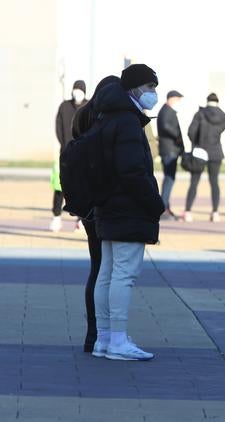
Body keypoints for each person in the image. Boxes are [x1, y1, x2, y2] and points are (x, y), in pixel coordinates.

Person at [92, 64, 165, 361]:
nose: (153, 94)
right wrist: (155, 204)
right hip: (128, 209)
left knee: (107, 273)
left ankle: (105, 338)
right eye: (149, 88)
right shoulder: (128, 123)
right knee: (123, 275)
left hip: (108, 206)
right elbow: (133, 172)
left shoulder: (106, 116)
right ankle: (118, 341)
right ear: (134, 89)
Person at [71, 75, 121, 353]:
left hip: (87, 204)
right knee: (110, 272)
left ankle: (93, 333)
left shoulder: (82, 116)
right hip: (106, 202)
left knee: (97, 269)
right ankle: (108, 332)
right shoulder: (107, 120)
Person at [184, 93, 225, 223]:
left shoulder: (200, 114)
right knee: (214, 182)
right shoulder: (223, 116)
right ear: (217, 101)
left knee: (194, 182)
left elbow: (191, 132)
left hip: (200, 152)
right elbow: (221, 130)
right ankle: (215, 213)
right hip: (216, 152)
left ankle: (188, 212)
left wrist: (197, 143)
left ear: (207, 101)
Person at [51, 80, 88, 232]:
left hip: (84, 154)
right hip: (65, 152)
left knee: (84, 187)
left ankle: (81, 219)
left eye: (80, 90)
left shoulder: (89, 106)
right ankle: (56, 216)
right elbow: (58, 127)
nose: (77, 92)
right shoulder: (64, 106)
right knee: (59, 186)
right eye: (75, 89)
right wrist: (65, 144)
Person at [157, 90, 184, 220]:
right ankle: (163, 208)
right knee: (169, 179)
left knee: (169, 179)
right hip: (169, 150)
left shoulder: (168, 111)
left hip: (172, 149)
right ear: (172, 99)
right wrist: (178, 135)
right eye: (178, 99)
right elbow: (165, 126)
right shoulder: (166, 111)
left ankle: (166, 206)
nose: (179, 102)